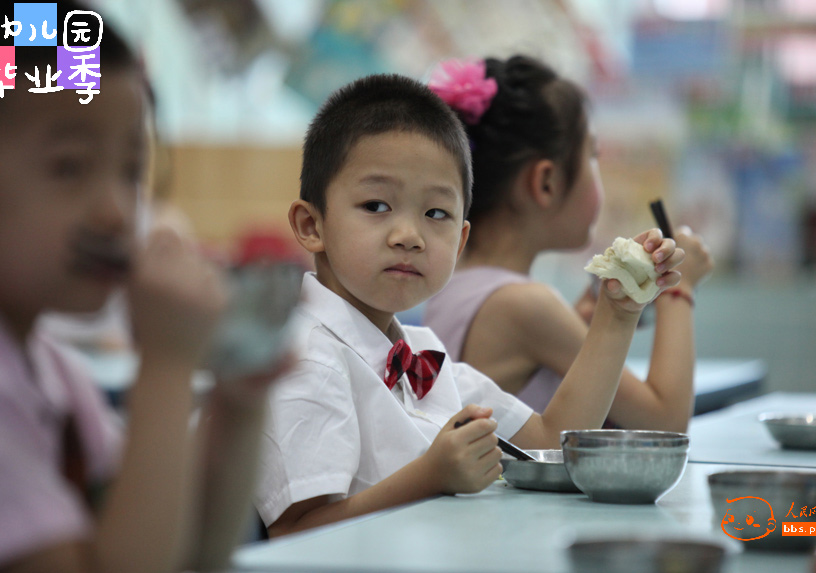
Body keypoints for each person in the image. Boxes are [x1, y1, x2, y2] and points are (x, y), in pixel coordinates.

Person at [256, 72, 685, 538]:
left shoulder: (426, 357)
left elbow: (552, 446)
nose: (409, 236)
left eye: (435, 213)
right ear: (310, 224)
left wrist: (617, 314)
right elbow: (295, 532)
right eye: (376, 205)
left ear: (461, 240)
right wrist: (430, 476)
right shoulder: (304, 357)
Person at [0, 6, 286, 573]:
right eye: (69, 167)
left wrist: (238, 402)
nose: (118, 210)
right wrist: (166, 364)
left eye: (132, 170)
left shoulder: (51, 369)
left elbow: (189, 550)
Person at [423, 56, 714, 432]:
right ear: (546, 182)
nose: (598, 169)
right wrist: (680, 287)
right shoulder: (525, 304)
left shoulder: (455, 286)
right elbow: (665, 421)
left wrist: (582, 322)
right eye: (592, 155)